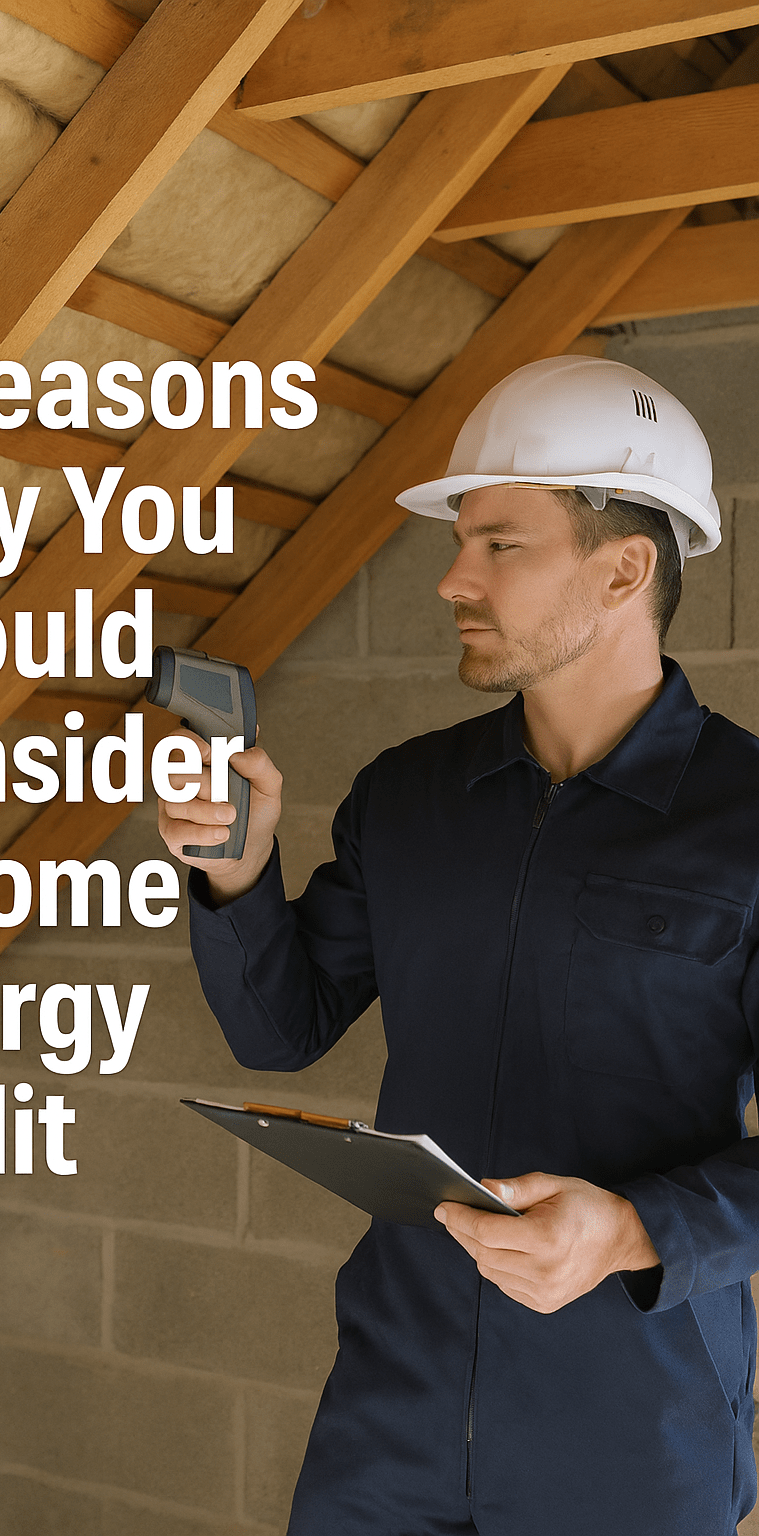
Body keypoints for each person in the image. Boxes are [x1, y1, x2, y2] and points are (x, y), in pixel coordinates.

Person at [156, 355, 759, 1536]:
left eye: (500, 544)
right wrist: (235, 872)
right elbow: (279, 1034)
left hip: (632, 1416)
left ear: (623, 566)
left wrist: (633, 1228)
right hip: (395, 1395)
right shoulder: (409, 796)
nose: (452, 580)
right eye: (459, 543)